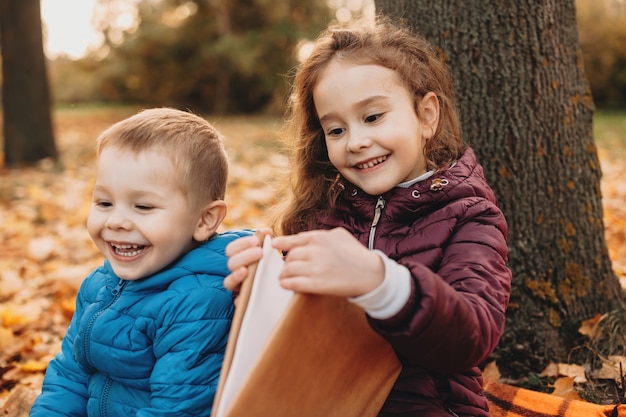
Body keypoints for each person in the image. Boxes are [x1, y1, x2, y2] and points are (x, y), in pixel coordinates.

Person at [224, 18, 512, 417]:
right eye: (337, 129)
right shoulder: (320, 216)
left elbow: (473, 334)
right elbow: (296, 335)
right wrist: (258, 289)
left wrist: (382, 282)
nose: (356, 141)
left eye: (373, 117)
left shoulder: (469, 214)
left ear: (427, 116)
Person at [30, 108, 252, 416]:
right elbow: (70, 377)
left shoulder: (197, 303)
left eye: (143, 206)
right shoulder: (99, 285)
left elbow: (177, 409)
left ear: (204, 220)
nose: (117, 221)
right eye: (104, 203)